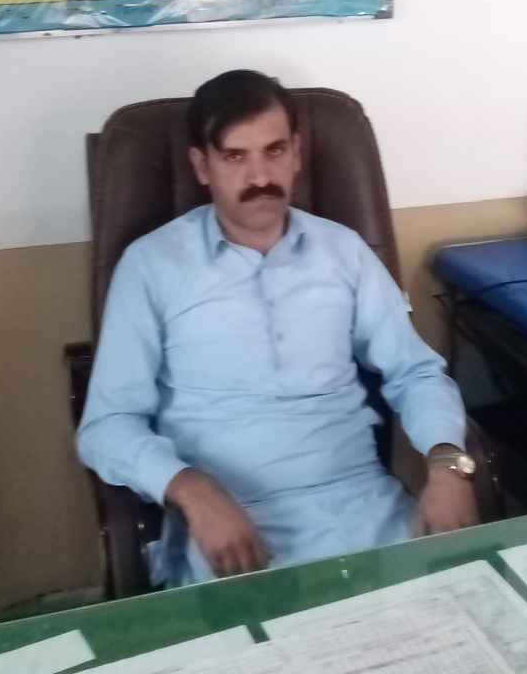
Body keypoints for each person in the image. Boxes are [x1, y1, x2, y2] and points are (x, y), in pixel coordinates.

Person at [77, 70, 478, 587]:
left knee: (453, 619)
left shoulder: (344, 252)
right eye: (234, 157)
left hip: (361, 506)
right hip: (227, 523)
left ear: (296, 154)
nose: (260, 176)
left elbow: (414, 372)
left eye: (274, 151)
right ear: (202, 166)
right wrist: (192, 491)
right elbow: (107, 425)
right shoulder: (152, 265)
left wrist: (447, 464)